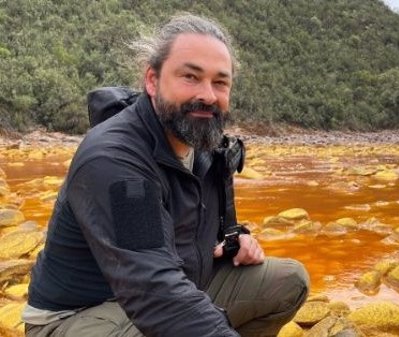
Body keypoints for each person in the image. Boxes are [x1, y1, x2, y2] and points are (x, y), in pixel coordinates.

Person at [23, 14, 309, 337]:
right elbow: (153, 290)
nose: (208, 95)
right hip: (79, 314)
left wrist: (233, 238)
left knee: (289, 282)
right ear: (152, 80)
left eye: (220, 82)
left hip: (168, 282)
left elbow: (190, 231)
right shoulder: (117, 161)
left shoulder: (202, 144)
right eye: (190, 76)